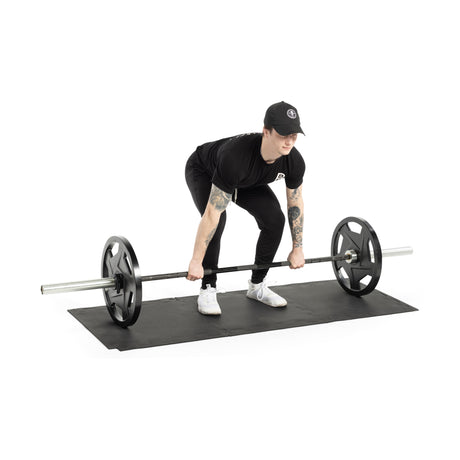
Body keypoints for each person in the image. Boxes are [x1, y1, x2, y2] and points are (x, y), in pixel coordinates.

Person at [185, 101, 306, 315]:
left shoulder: (293, 161)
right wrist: (196, 261)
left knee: (274, 221)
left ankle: (257, 286)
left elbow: (295, 203)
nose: (289, 141)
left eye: (294, 135)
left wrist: (297, 248)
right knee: (219, 221)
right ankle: (208, 287)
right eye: (283, 134)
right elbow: (212, 215)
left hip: (247, 179)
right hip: (204, 170)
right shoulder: (235, 158)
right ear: (266, 132)